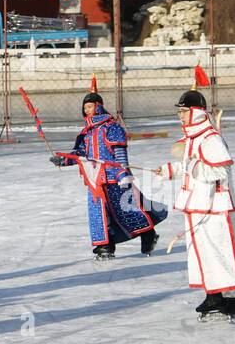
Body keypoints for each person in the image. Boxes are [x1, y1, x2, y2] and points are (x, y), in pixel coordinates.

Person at [153, 86, 235, 322]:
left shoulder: (210, 138)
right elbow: (189, 166)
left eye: (184, 111)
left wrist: (193, 166)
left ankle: (234, 300)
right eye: (179, 112)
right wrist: (168, 170)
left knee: (221, 253)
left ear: (196, 112)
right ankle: (214, 295)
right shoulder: (192, 138)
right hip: (197, 205)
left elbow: (220, 169)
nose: (180, 116)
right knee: (202, 254)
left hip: (216, 208)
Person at [53, 77, 165, 259]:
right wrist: (63, 161)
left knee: (126, 211)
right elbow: (80, 155)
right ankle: (104, 247)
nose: (86, 110)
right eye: (84, 108)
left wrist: (123, 173)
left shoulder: (111, 127)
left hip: (114, 176)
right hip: (95, 180)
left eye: (89, 107)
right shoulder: (86, 132)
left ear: (98, 106)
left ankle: (148, 234)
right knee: (98, 214)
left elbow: (120, 153)